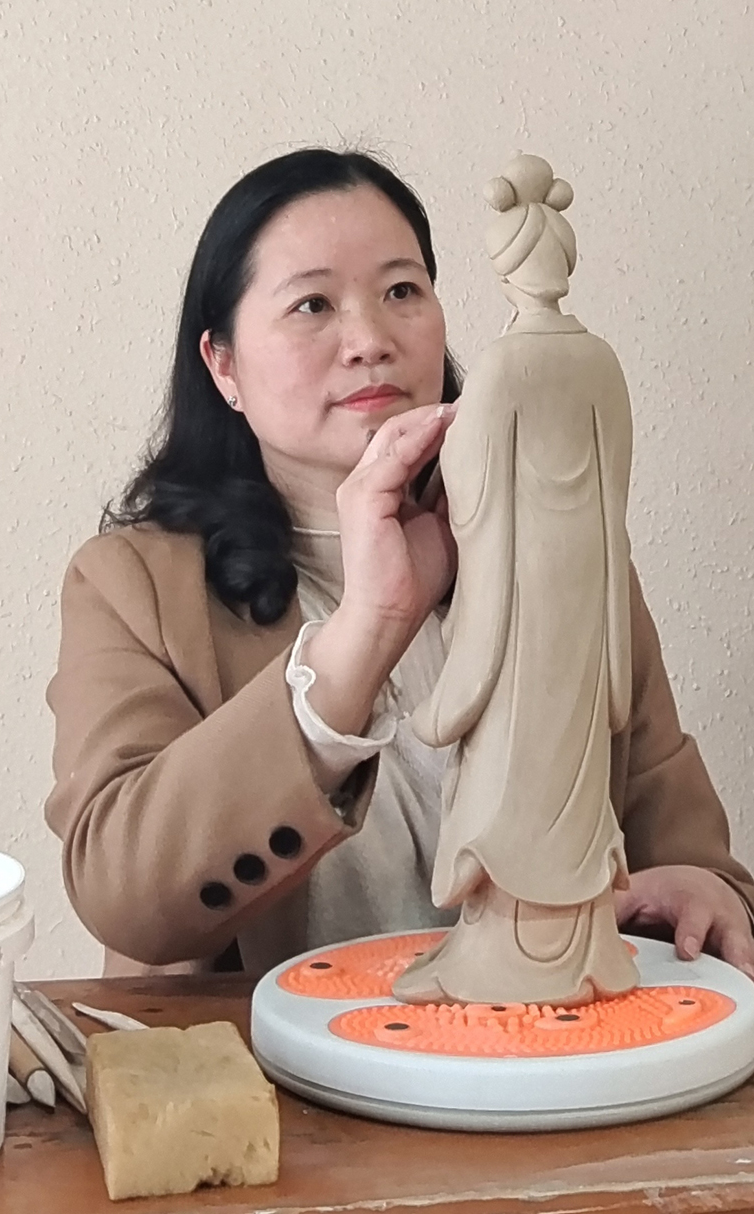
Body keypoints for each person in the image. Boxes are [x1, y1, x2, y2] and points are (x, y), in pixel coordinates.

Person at [44, 148, 754, 982]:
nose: (370, 341)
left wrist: (698, 889)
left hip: (546, 1043)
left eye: (402, 292)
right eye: (311, 304)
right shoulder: (134, 585)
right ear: (223, 365)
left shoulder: (560, 539)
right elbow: (125, 898)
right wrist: (367, 630)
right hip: (266, 1058)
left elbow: (689, 849)